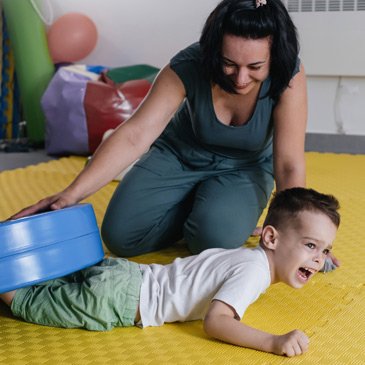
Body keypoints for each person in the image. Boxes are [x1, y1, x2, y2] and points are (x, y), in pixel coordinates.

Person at [12, 0, 311, 259]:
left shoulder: (289, 75)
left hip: (244, 168)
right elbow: (134, 134)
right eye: (228, 63)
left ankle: (214, 212)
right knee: (121, 237)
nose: (241, 78)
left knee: (213, 242)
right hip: (180, 155)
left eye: (255, 67)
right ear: (213, 50)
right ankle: (199, 205)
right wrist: (70, 195)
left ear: (274, 56)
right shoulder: (188, 65)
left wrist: (297, 235)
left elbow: (288, 164)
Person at [1, 188, 340, 357]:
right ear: (270, 237)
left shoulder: (248, 256)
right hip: (122, 301)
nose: (317, 259)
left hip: (127, 274)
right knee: (31, 301)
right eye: (310, 246)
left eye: (323, 250)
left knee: (50, 275)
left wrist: (314, 253)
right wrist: (272, 341)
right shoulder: (254, 273)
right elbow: (217, 321)